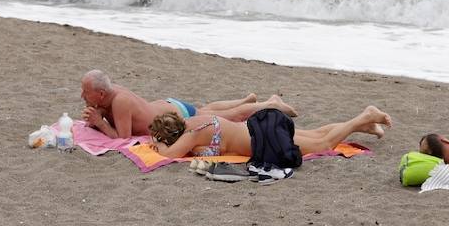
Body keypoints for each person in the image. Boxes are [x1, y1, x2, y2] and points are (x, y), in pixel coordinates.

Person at [79, 69, 297, 138]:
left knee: (233, 117)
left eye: (85, 92)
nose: (82, 96)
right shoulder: (108, 95)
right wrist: (96, 118)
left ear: (100, 93)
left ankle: (272, 104)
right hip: (169, 107)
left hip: (177, 116)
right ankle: (246, 100)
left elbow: (123, 139)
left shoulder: (119, 102)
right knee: (205, 109)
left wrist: (101, 123)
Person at [148, 105, 391, 158]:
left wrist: (157, 144)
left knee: (323, 145)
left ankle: (365, 116)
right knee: (317, 133)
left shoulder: (191, 135)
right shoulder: (194, 120)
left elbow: (168, 155)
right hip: (261, 126)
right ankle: (361, 125)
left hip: (264, 139)